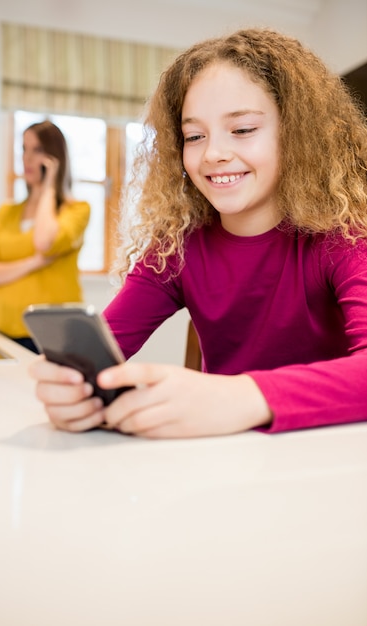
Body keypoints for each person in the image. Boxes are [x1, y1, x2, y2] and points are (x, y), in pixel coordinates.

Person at [29, 28, 367, 438]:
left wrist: (239, 396)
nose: (213, 154)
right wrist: (73, 393)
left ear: (298, 136)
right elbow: (103, 350)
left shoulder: (343, 239)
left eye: (242, 130)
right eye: (194, 136)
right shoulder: (176, 248)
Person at [0, 120, 90, 352]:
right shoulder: (6, 212)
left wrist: (49, 186)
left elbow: (43, 241)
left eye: (37, 150)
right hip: (2, 328)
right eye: (23, 149)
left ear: (55, 157)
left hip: (53, 332)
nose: (26, 158)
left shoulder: (77, 210)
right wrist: (35, 262)